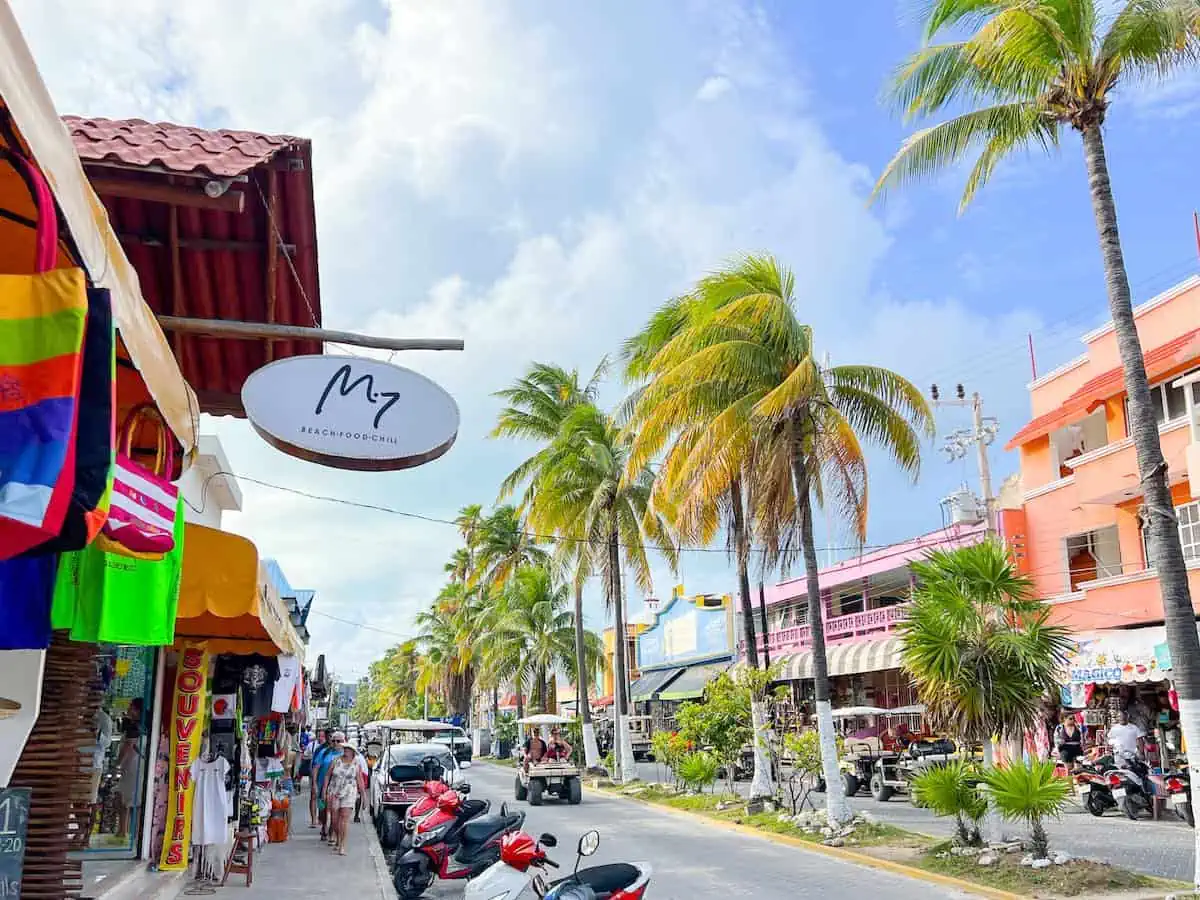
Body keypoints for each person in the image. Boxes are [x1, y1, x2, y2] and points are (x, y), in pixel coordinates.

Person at [324, 733, 365, 856]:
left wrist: (364, 796)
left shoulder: (357, 764)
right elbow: (328, 775)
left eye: (349, 749)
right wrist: (324, 790)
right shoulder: (336, 761)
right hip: (334, 792)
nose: (346, 751)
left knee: (344, 820)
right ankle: (337, 837)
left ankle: (342, 845)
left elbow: (360, 780)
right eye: (345, 749)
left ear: (353, 752)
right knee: (335, 820)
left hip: (349, 793)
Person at [115, 699, 144, 839]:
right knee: (135, 800)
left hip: (131, 766)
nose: (128, 709)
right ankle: (135, 833)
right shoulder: (144, 727)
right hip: (139, 766)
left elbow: (127, 747)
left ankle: (123, 831)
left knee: (125, 799)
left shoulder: (133, 728)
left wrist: (117, 764)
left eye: (131, 707)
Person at [307, 729, 331, 833]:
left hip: (334, 783)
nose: (333, 741)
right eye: (330, 738)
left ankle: (327, 826)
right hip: (320, 780)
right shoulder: (321, 750)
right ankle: (317, 820)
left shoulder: (340, 750)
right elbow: (315, 766)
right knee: (318, 801)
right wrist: (314, 782)